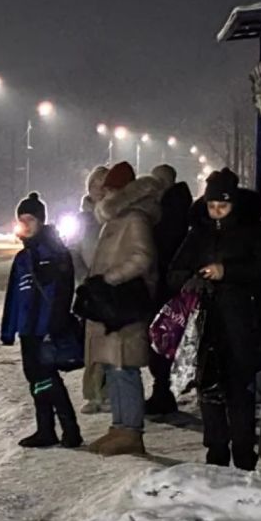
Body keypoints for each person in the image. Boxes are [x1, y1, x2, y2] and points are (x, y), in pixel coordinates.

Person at [168, 169, 261, 471]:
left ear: (234, 204)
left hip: (243, 322)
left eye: (223, 206)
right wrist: (191, 280)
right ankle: (215, 453)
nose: (216, 211)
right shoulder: (198, 232)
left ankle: (244, 456)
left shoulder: (254, 231)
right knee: (209, 391)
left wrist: (227, 272)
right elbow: (175, 269)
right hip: (206, 325)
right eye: (211, 205)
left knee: (239, 391)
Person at [84, 162, 162, 456]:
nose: (102, 195)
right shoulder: (118, 218)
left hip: (124, 307)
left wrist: (109, 279)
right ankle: (119, 426)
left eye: (108, 189)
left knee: (124, 368)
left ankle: (131, 430)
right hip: (111, 309)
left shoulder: (134, 219)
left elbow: (142, 258)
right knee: (114, 368)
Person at [0, 192, 83, 449]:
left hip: (46, 327)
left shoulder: (55, 253)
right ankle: (45, 429)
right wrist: (8, 330)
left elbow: (64, 290)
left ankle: (70, 430)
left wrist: (55, 324)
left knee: (48, 377)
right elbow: (13, 296)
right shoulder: (22, 258)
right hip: (27, 329)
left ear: (41, 221)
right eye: (21, 219)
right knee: (35, 378)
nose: (26, 224)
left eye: (30, 219)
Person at [145, 164, 194, 416]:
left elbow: (164, 247)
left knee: (162, 338)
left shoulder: (169, 211)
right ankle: (162, 391)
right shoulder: (179, 205)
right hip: (170, 283)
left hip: (166, 284)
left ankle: (163, 392)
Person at [74, 166, 111, 415]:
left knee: (112, 341)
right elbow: (73, 251)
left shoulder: (115, 214)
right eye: (94, 184)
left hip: (112, 284)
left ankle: (109, 392)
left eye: (103, 183)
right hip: (89, 285)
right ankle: (94, 393)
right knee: (92, 342)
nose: (98, 188)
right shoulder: (81, 218)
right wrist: (82, 279)